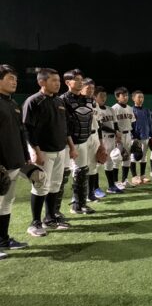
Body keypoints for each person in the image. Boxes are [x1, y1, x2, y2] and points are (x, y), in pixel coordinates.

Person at [22, 68, 72, 235]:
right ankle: (35, 223)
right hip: (43, 150)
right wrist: (35, 151)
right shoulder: (33, 101)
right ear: (41, 82)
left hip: (59, 150)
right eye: (53, 80)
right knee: (41, 185)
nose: (58, 84)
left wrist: (70, 147)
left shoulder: (59, 101)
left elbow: (64, 127)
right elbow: (27, 129)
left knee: (55, 184)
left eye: (58, 80)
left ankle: (50, 217)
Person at [0, 64, 30, 257]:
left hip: (13, 161)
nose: (15, 82)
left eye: (16, 79)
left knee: (7, 202)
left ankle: (3, 239)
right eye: (10, 78)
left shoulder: (13, 104)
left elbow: (21, 133)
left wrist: (25, 158)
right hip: (1, 163)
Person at [61, 69, 95, 215]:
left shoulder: (88, 100)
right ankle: (54, 213)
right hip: (67, 143)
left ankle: (80, 204)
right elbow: (63, 125)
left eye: (82, 79)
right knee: (63, 176)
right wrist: (70, 145)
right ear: (68, 82)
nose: (81, 82)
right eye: (77, 80)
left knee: (82, 172)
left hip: (84, 140)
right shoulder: (62, 100)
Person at [95, 86, 123, 193]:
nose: (104, 98)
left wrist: (117, 133)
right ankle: (95, 188)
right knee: (97, 164)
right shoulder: (95, 109)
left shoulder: (110, 109)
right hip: (101, 139)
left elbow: (115, 124)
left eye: (105, 95)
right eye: (101, 96)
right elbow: (100, 126)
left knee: (110, 163)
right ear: (95, 97)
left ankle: (111, 186)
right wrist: (114, 131)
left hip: (111, 139)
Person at [112, 87, 136, 188]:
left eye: (127, 95)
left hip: (128, 135)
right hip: (118, 136)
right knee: (117, 158)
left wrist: (134, 136)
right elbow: (113, 124)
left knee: (127, 158)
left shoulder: (130, 108)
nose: (126, 97)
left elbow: (133, 123)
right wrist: (116, 136)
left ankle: (124, 180)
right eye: (123, 95)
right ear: (117, 97)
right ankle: (115, 181)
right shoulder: (114, 108)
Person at [131, 90, 152, 184]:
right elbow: (130, 125)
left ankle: (142, 176)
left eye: (142, 97)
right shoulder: (131, 110)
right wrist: (133, 136)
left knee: (144, 157)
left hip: (145, 136)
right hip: (135, 138)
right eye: (139, 97)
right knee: (133, 157)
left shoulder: (146, 110)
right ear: (133, 98)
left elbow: (150, 124)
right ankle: (134, 177)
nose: (141, 99)